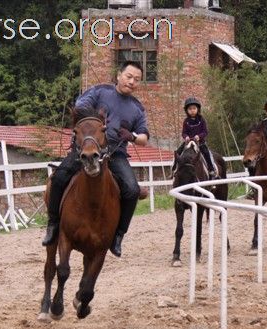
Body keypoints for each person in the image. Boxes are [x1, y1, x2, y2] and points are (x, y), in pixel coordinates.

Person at [41, 61, 150, 257]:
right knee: (58, 178)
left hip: (115, 153)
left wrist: (132, 137)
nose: (132, 81)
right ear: (118, 75)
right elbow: (80, 108)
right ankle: (53, 224)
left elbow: (144, 137)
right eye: (129, 76)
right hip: (87, 146)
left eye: (137, 79)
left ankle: (118, 235)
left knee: (132, 190)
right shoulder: (100, 91)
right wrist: (97, 119)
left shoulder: (137, 108)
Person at [171, 97, 217, 179]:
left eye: (194, 108)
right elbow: (184, 133)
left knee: (206, 153)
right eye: (190, 109)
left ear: (198, 109)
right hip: (188, 142)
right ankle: (174, 169)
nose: (192, 110)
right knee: (177, 152)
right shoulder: (186, 121)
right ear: (187, 110)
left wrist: (199, 136)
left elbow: (205, 132)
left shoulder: (201, 120)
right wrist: (186, 137)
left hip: (200, 142)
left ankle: (211, 169)